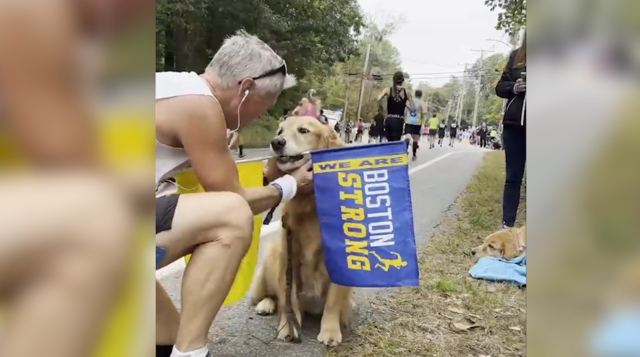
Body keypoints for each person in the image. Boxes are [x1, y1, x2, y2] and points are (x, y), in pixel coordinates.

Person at [155, 31, 314, 357]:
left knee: (165, 338)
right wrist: (290, 185)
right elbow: (233, 198)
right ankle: (193, 353)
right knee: (231, 215)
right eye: (264, 106)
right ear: (245, 88)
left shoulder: (172, 87)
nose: (259, 117)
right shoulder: (200, 106)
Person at [495, 31, 527, 229]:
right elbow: (500, 87)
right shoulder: (516, 56)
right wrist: (515, 87)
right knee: (513, 177)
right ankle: (507, 224)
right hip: (514, 125)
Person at [377, 71, 415, 142]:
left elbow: (378, 99)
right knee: (395, 142)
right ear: (402, 80)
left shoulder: (388, 90)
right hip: (399, 120)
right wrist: (406, 105)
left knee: (388, 141)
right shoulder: (406, 92)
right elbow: (413, 108)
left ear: (393, 79)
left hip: (389, 118)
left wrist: (381, 108)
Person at [404, 89, 426, 160]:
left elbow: (405, 110)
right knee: (415, 139)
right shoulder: (422, 103)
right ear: (421, 95)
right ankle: (414, 155)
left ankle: (405, 151)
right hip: (417, 122)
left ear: (415, 94)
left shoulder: (410, 101)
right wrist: (423, 122)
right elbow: (424, 112)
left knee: (408, 136)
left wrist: (405, 118)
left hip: (409, 121)